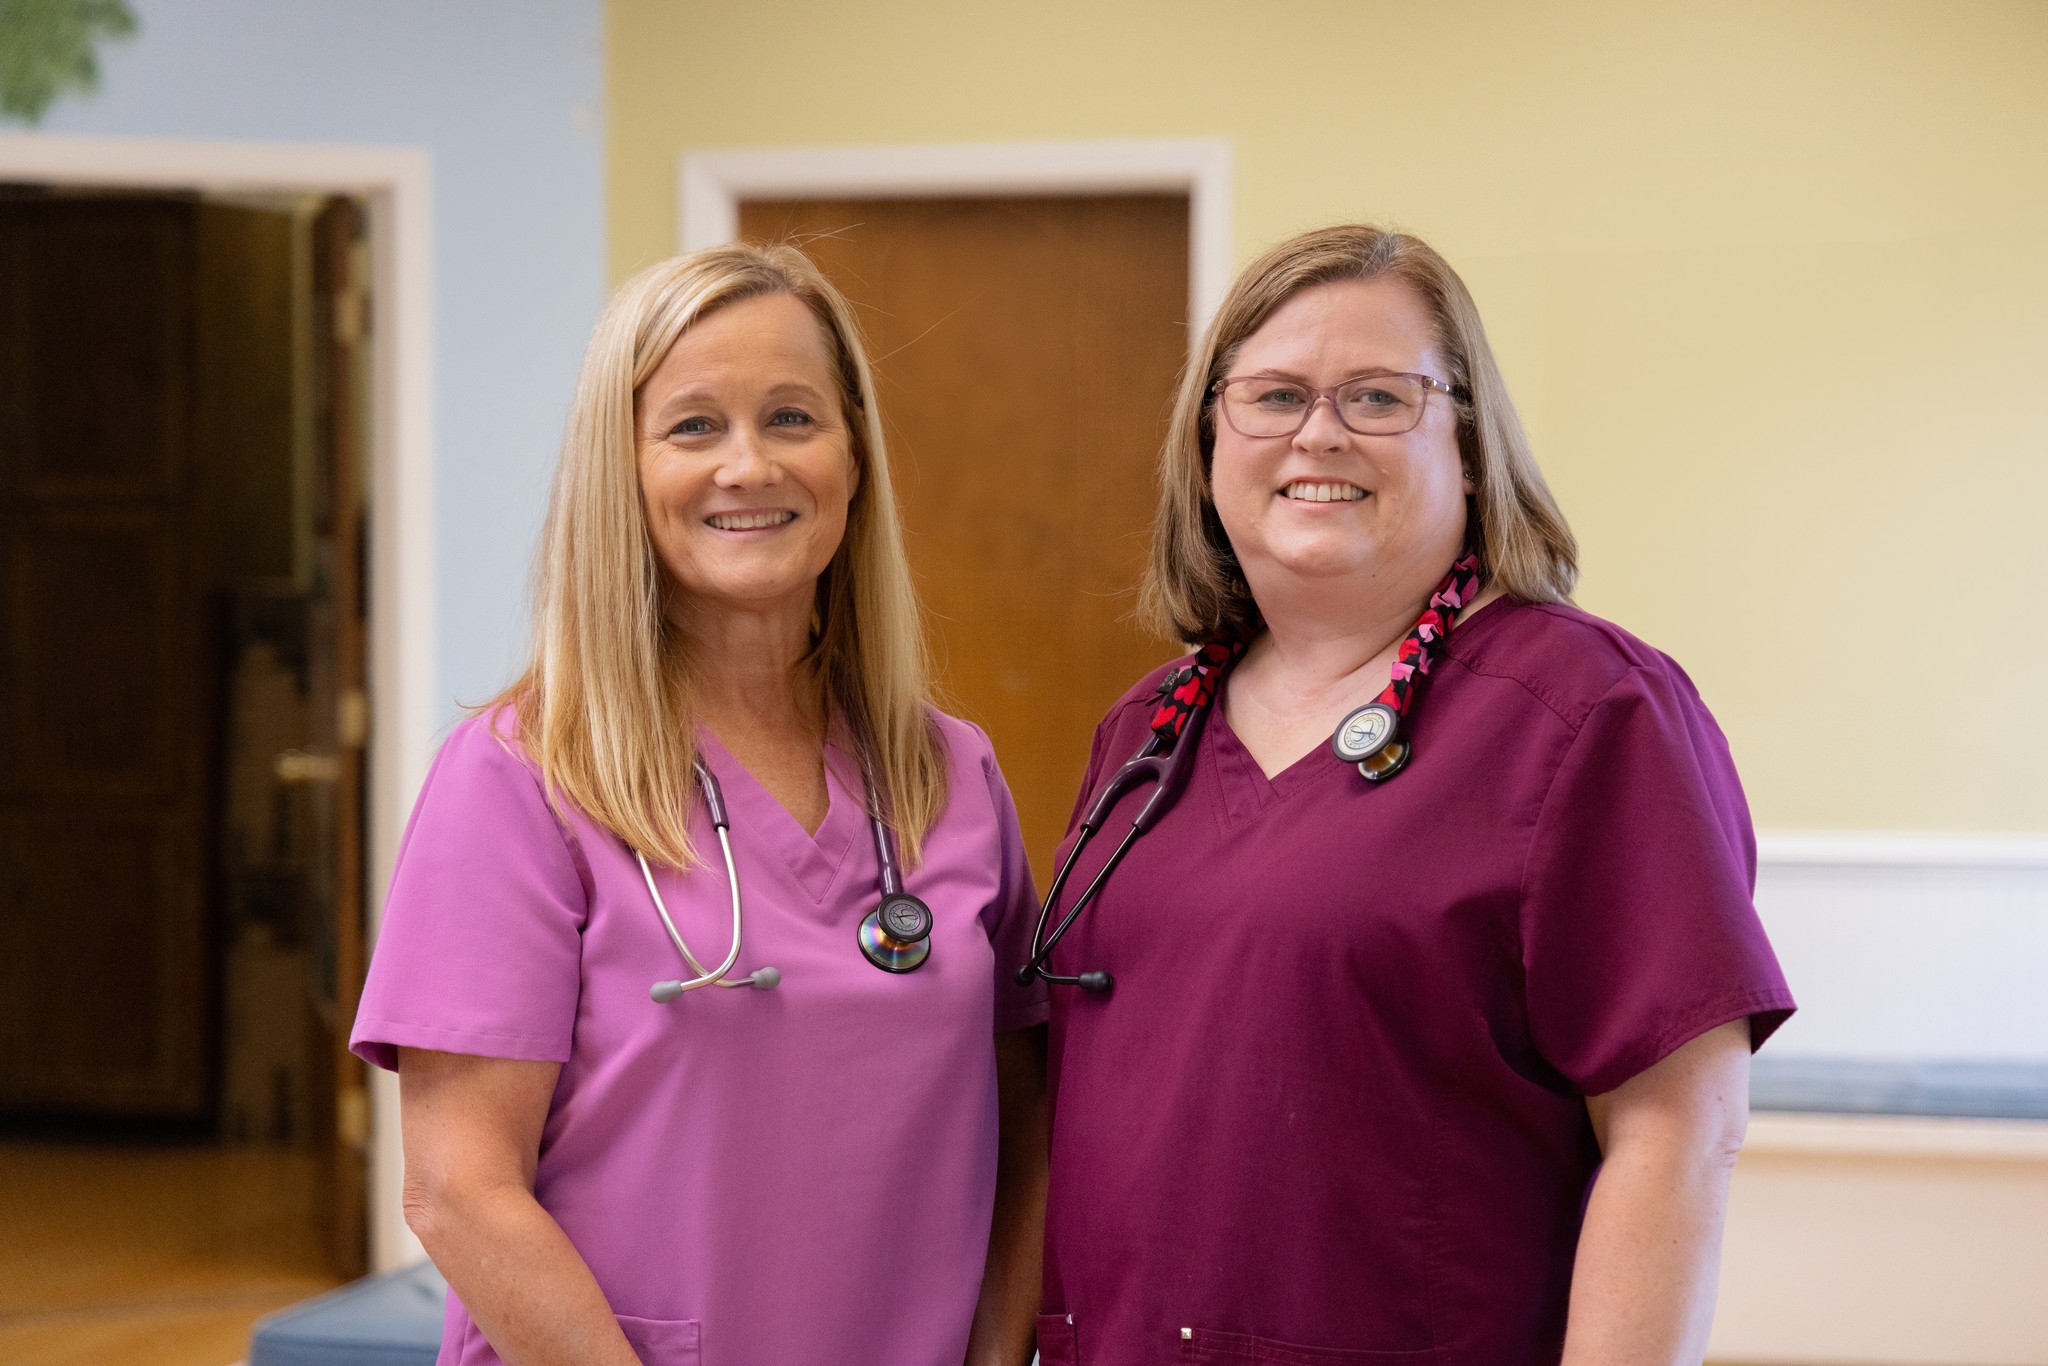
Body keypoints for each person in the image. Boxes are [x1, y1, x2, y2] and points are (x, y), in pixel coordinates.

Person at [1025, 225, 1795, 1365]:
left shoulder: (1587, 714)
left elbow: (1677, 1135)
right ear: (1205, 446)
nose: (1316, 432)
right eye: (1271, 395)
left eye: (1377, 397)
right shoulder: (1147, 729)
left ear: (1471, 447)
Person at [351, 243, 1048, 1366]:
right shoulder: (518, 780)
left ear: (854, 457)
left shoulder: (949, 776)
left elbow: (1028, 1137)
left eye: (790, 417)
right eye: (690, 426)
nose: (747, 465)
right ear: (618, 470)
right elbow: (456, 1186)